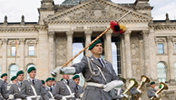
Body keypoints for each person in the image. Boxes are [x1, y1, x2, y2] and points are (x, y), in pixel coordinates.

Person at [52, 39, 123, 100]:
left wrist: (113, 84)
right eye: (97, 46)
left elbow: (118, 80)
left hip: (107, 95)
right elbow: (77, 68)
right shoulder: (87, 61)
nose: (100, 47)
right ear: (91, 49)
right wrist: (64, 70)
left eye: (101, 46)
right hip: (92, 94)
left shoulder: (108, 64)